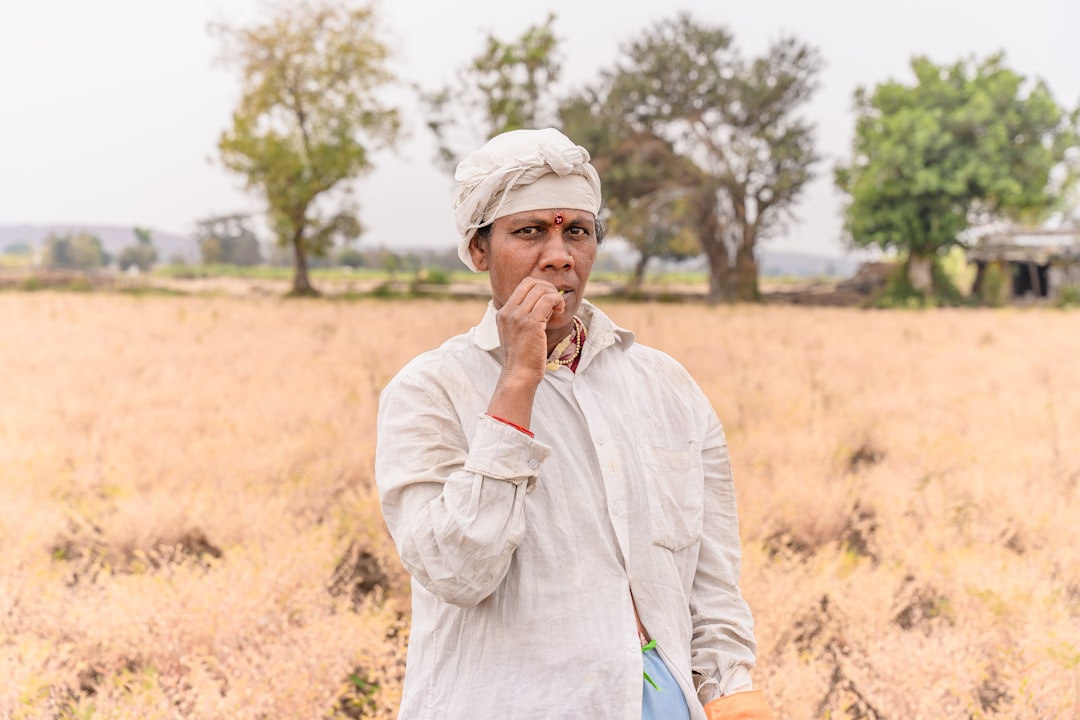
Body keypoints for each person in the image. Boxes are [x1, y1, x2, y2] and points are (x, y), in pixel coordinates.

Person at [375, 128, 774, 720]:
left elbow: (711, 577)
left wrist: (732, 694)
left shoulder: (666, 387)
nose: (559, 253)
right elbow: (457, 571)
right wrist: (517, 382)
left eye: (576, 232)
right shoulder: (430, 390)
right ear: (480, 251)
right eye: (530, 231)